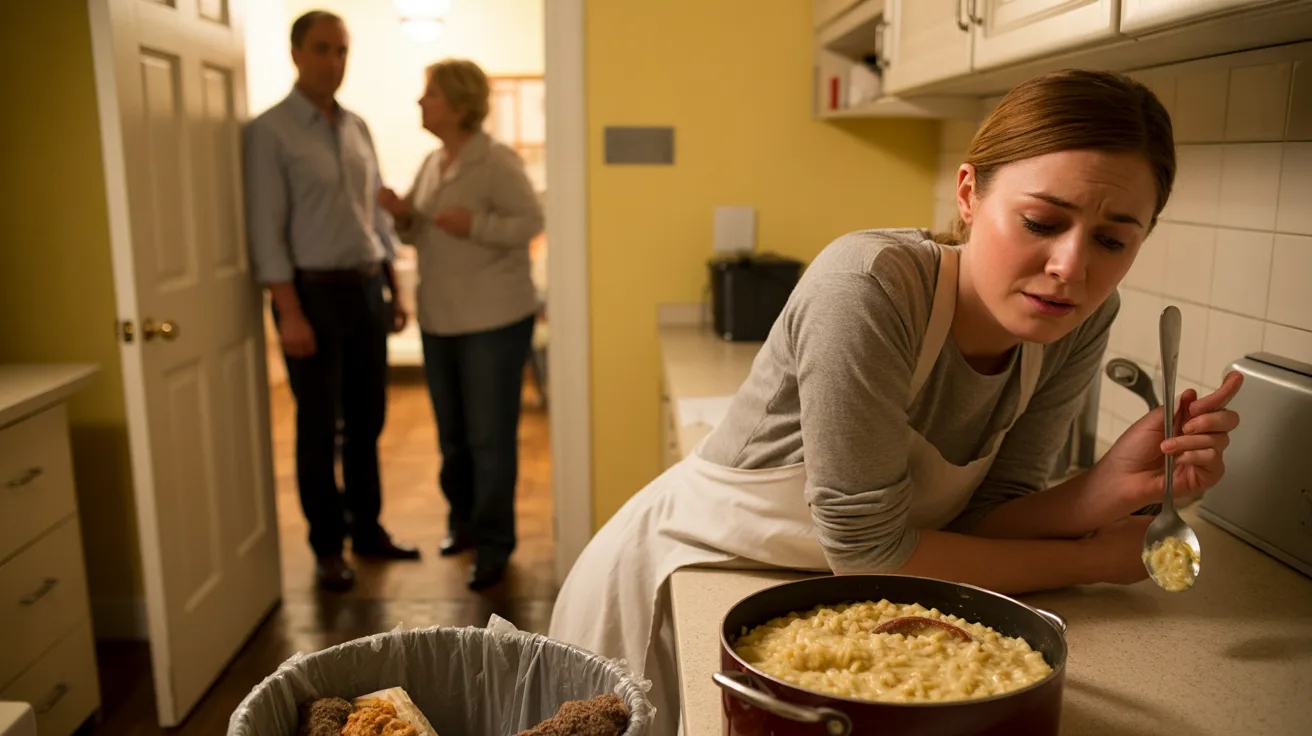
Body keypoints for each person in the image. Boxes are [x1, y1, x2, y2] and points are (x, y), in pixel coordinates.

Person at [548, 68, 1245, 734]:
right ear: (969, 194)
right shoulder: (870, 286)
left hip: (807, 602)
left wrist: (1101, 491)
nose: (1071, 267)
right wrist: (1094, 560)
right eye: (1040, 222)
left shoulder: (1079, 317)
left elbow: (983, 524)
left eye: (1114, 239)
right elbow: (871, 554)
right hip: (682, 582)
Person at [244, 10, 419, 592]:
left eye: (342, 51)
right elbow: (267, 232)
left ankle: (367, 529)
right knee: (319, 426)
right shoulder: (269, 133)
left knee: (368, 419)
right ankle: (327, 547)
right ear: (295, 54)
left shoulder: (358, 127)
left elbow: (373, 214)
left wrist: (393, 285)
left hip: (366, 287)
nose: (334, 62)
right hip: (311, 296)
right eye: (322, 49)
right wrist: (289, 312)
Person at [377, 59, 544, 591]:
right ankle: (464, 524)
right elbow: (421, 236)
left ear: (458, 103)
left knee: (489, 438)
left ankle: (495, 546)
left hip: (493, 319)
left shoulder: (495, 161)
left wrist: (476, 225)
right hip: (440, 318)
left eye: (429, 94)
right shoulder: (432, 162)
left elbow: (531, 222)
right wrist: (404, 217)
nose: (420, 103)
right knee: (453, 439)